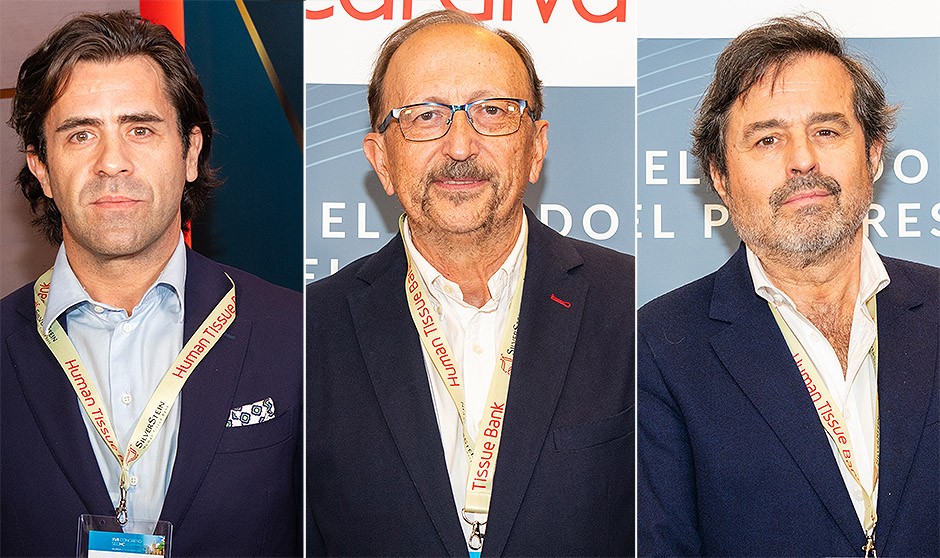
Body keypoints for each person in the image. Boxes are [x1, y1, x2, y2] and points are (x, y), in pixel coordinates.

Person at [307, 9, 634, 556]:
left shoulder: (630, 303)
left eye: (492, 111)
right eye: (425, 115)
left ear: (535, 148)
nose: (460, 146)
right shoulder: (310, 329)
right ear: (381, 161)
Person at [1, 12, 301, 557]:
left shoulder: (297, 335)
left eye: (140, 129)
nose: (112, 162)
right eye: (81, 134)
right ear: (41, 167)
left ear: (190, 153)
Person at [637, 15, 939, 557]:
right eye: (768, 139)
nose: (802, 160)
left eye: (827, 131)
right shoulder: (658, 347)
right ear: (721, 178)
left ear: (873, 153)